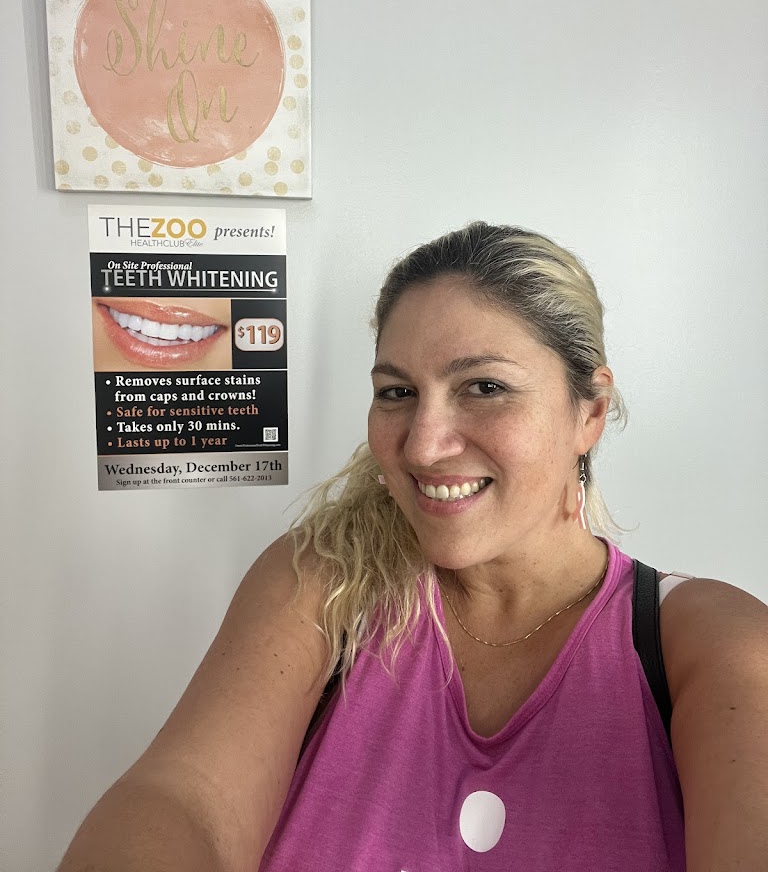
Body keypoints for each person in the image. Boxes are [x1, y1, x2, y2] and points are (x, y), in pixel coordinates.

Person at [58, 222, 768, 871]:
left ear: (590, 412)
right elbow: (183, 800)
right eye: (397, 393)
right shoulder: (325, 585)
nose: (423, 446)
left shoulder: (704, 642)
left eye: (484, 387)